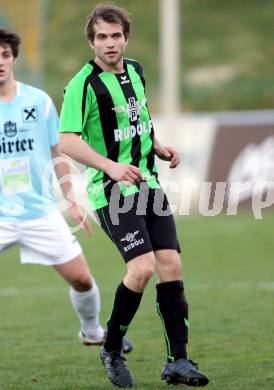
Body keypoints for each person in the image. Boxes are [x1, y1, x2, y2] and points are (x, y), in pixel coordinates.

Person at [59, 4, 209, 388]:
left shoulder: (136, 71)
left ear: (126, 37)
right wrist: (109, 167)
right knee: (142, 269)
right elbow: (67, 142)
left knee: (171, 265)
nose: (110, 43)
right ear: (91, 41)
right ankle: (110, 347)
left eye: (116, 35)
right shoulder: (82, 84)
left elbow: (138, 120)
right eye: (102, 37)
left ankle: (179, 361)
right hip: (110, 189)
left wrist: (157, 145)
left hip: (148, 185)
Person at [0, 28, 132, 354]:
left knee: (83, 280)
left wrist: (71, 199)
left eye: (4, 55)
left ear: (14, 58)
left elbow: (56, 153)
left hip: (39, 212)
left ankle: (91, 330)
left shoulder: (38, 102)